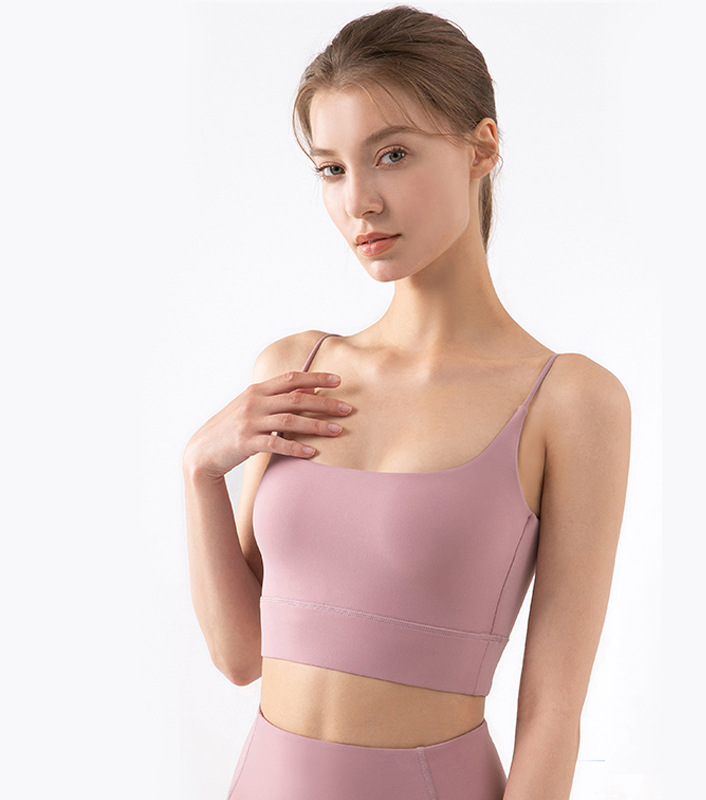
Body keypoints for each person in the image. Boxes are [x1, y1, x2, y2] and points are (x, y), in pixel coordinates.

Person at [182, 5, 631, 799]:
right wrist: (198, 473)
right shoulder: (296, 369)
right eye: (332, 169)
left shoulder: (567, 401)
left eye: (391, 155)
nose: (360, 201)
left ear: (481, 148)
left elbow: (553, 710)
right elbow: (241, 654)